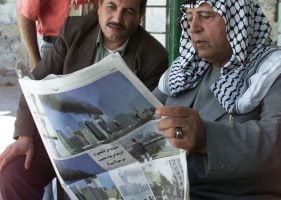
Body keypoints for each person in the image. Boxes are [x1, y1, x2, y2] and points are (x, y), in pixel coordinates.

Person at [0, 0, 168, 199]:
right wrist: (25, 136)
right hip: (62, 137)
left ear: (141, 15)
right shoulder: (75, 29)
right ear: (99, 7)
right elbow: (36, 81)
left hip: (111, 150)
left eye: (128, 11)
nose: (117, 18)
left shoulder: (154, 56)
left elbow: (146, 122)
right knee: (13, 173)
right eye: (111, 6)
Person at [154, 0, 281, 199]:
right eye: (189, 17)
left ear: (238, 20)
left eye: (206, 16)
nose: (193, 28)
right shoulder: (185, 70)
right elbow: (145, 113)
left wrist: (206, 138)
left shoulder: (276, 70)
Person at [17, 0, 98, 69]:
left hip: (91, 44)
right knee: (50, 85)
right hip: (54, 46)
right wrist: (35, 61)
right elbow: (25, 15)